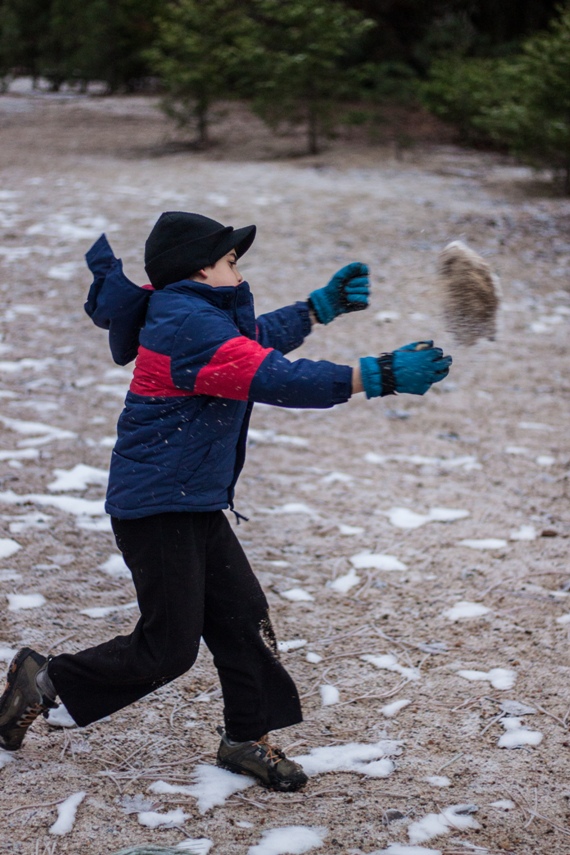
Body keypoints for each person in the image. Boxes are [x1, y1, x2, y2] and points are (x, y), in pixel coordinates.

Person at [0, 212, 451, 791]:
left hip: (191, 499)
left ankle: (244, 738)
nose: (238, 268)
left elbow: (253, 342)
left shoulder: (195, 314)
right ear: (199, 269)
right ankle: (45, 679)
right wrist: (379, 373)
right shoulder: (186, 324)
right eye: (230, 259)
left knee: (243, 620)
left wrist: (317, 308)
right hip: (157, 508)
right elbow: (275, 378)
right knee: (168, 649)